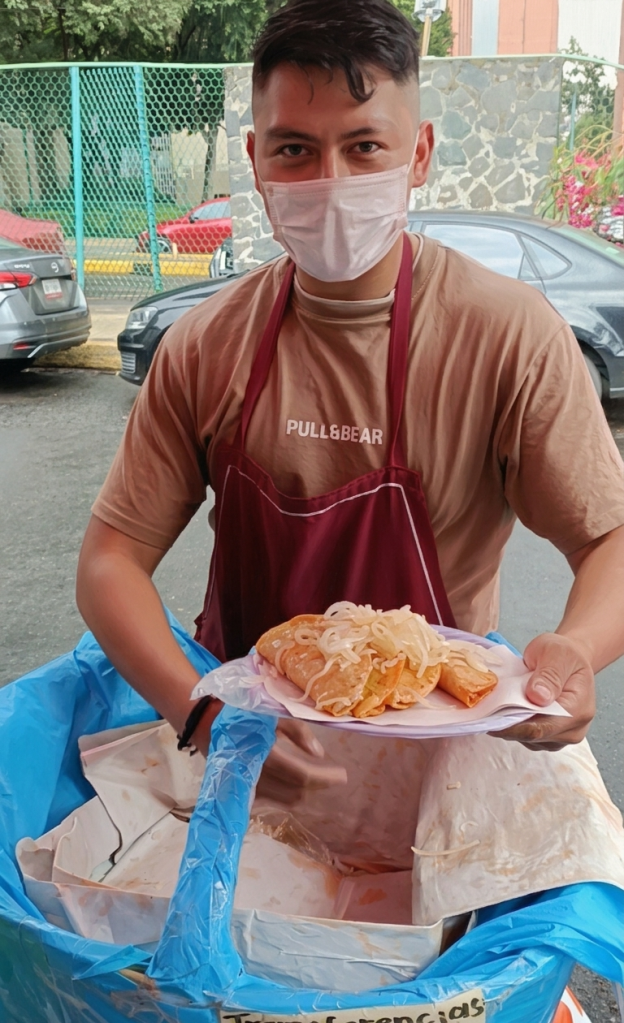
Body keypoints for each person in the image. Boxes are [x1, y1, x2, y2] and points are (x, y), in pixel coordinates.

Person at [77, 0, 624, 790]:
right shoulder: (205, 344)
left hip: (433, 753)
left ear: (420, 153)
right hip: (244, 746)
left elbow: (610, 539)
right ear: (255, 160)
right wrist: (202, 713)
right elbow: (110, 560)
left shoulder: (507, 336)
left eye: (365, 146)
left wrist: (579, 646)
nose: (330, 182)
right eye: (294, 150)